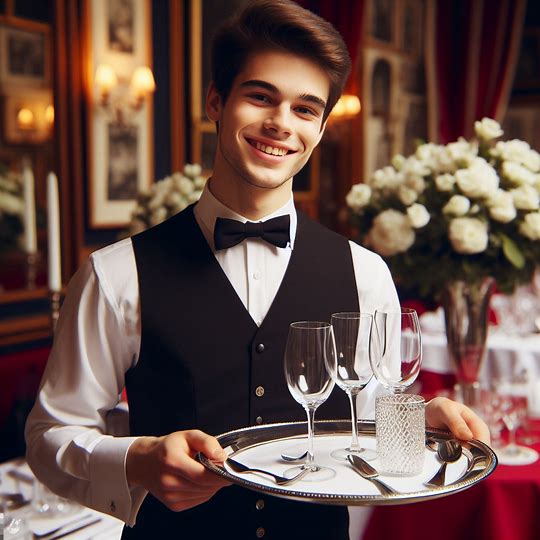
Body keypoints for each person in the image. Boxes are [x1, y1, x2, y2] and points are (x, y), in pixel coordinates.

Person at [25, 1, 490, 539]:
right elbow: (49, 436)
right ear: (215, 102)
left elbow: (368, 423)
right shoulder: (116, 274)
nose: (280, 124)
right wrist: (136, 460)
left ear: (319, 130)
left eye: (305, 109)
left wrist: (420, 423)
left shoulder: (366, 273)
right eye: (260, 96)